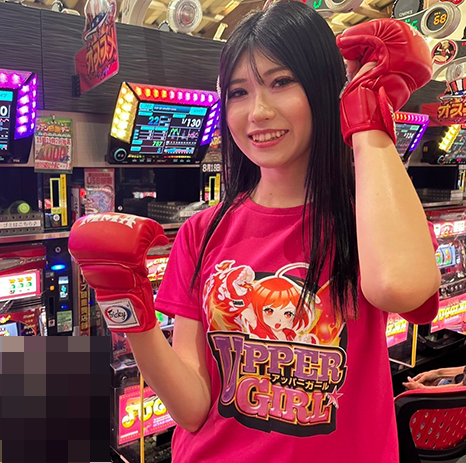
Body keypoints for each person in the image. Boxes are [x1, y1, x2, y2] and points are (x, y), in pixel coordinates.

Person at [70, 3, 441, 461]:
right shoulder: (202, 231)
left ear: (324, 89)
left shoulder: (370, 221)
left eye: (281, 82)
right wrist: (126, 306)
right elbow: (191, 408)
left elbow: (401, 287)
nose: (258, 112)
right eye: (239, 92)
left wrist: (366, 112)